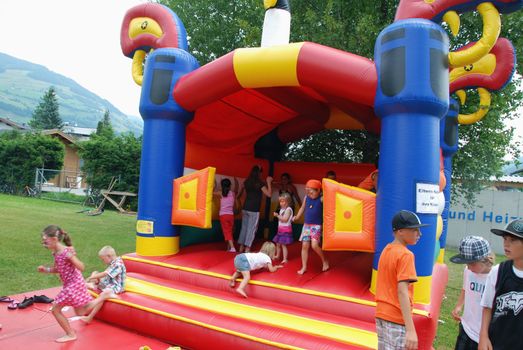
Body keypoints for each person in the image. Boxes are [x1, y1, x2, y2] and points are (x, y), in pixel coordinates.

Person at [37, 225, 111, 343]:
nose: (44, 243)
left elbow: (81, 267)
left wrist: (71, 257)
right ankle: (103, 297)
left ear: (55, 239)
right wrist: (45, 270)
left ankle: (70, 334)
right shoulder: (56, 253)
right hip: (73, 284)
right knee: (81, 311)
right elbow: (58, 269)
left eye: (46, 241)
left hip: (73, 285)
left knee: (55, 310)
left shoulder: (66, 252)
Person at [375, 210, 428, 350]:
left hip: (381, 314)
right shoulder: (406, 255)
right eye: (415, 230)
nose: (419, 234)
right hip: (396, 317)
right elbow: (402, 292)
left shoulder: (386, 250)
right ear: (400, 231)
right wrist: (410, 330)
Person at [478, 219, 523, 350]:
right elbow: (487, 307)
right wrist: (483, 336)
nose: (506, 244)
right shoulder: (498, 271)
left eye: (513, 240)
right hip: (498, 341)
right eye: (505, 239)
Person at [450, 236, 494, 350]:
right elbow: (465, 289)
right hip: (466, 328)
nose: (468, 268)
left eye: (472, 264)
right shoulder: (468, 271)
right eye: (466, 264)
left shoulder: (495, 277)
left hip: (484, 335)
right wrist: (459, 305)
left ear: (486, 259)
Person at [82, 245, 126, 323]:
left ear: (109, 256)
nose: (103, 261)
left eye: (103, 259)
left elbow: (105, 274)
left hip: (116, 286)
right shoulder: (114, 262)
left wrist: (90, 278)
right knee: (95, 272)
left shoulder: (118, 264)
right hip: (108, 282)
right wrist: (94, 277)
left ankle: (90, 317)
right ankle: (92, 285)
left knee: (104, 294)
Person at [293, 179, 329, 275]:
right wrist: (297, 217)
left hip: (316, 226)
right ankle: (304, 267)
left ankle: (324, 260)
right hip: (306, 225)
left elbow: (330, 197)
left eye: (312, 192)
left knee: (314, 245)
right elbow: (302, 208)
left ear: (318, 191)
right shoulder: (306, 197)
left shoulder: (321, 199)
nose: (309, 194)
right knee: (304, 246)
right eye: (308, 192)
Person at [237, 165, 272, 253]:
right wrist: (268, 182)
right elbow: (269, 194)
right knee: (251, 229)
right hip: (254, 209)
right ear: (259, 173)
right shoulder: (260, 183)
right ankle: (247, 249)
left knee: (244, 228)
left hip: (245, 208)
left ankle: (241, 247)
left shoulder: (247, 181)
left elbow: (240, 192)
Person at [214, 177, 239, 252]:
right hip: (230, 215)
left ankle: (232, 247)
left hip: (223, 216)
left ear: (222, 186)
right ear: (230, 186)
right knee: (230, 231)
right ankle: (229, 248)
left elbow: (211, 192)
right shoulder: (233, 194)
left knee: (227, 232)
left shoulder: (220, 193)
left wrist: (215, 184)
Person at [272, 192, 294, 263]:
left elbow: (285, 219)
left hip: (286, 230)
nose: (281, 203)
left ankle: (285, 259)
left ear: (287, 201)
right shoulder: (282, 209)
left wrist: (277, 215)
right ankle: (278, 255)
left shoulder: (288, 209)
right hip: (280, 229)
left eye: (282, 201)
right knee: (278, 243)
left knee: (283, 245)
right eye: (280, 201)